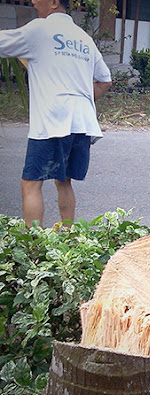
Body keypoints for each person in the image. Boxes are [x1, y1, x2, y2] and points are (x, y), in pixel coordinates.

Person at [0, 0, 112, 227]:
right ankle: (69, 239)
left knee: (31, 183)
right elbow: (105, 79)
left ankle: (35, 245)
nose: (32, 1)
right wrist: (78, 98)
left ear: (53, 2)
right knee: (64, 181)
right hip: (82, 122)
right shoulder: (83, 38)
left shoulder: (39, 29)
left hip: (53, 121)